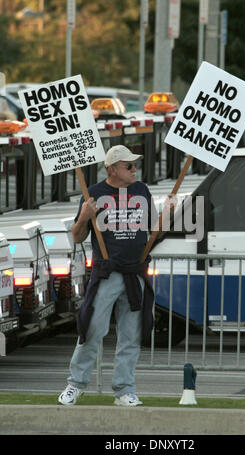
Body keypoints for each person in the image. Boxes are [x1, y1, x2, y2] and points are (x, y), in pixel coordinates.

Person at [58, 144, 160, 407]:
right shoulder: (93, 194)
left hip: (135, 273)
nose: (135, 169)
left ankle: (125, 390)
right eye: (129, 166)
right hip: (107, 273)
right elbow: (78, 236)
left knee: (131, 334)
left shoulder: (141, 190)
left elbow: (152, 229)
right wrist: (84, 217)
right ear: (113, 169)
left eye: (135, 164)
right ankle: (75, 384)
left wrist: (165, 219)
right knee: (92, 329)